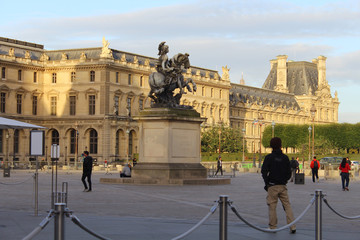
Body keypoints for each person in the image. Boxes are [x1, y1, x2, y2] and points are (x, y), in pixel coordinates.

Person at [261, 137, 296, 234]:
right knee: (287, 206)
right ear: (281, 145)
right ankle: (292, 226)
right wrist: (285, 180)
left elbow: (264, 171)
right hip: (283, 185)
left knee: (272, 206)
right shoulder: (285, 158)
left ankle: (273, 227)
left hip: (272, 185)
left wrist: (267, 182)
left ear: (271, 146)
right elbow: (289, 172)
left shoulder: (269, 157)